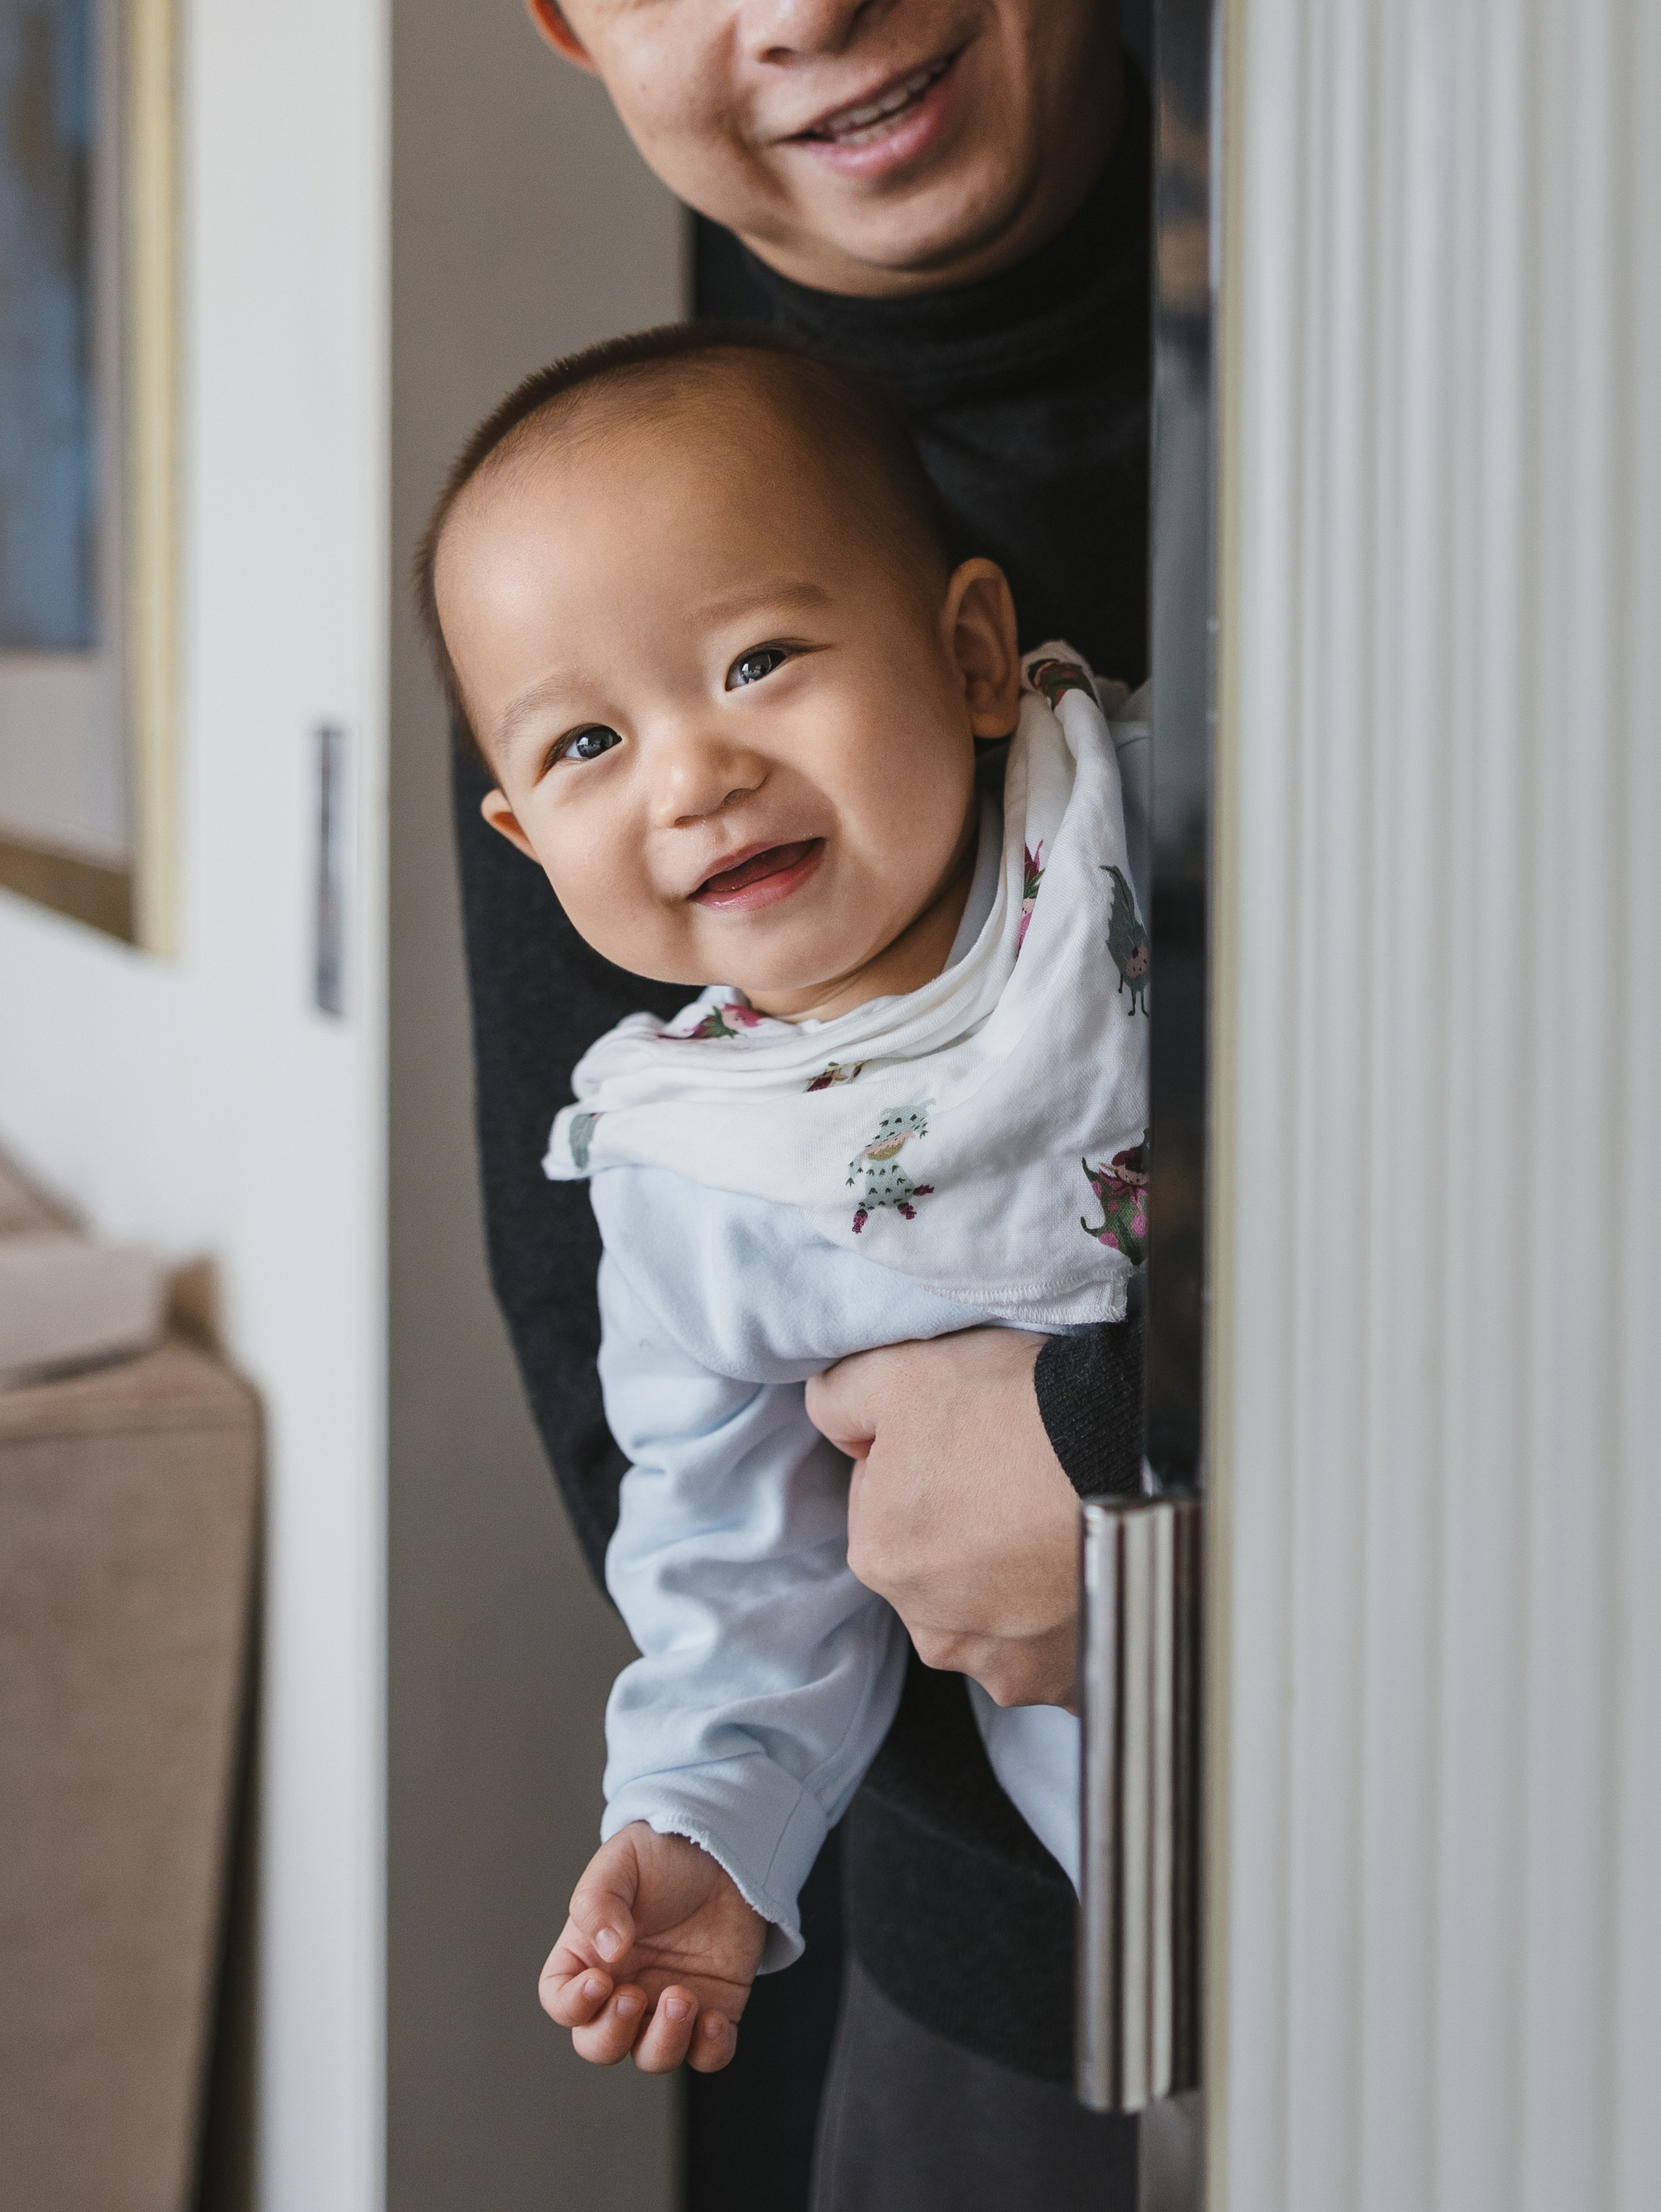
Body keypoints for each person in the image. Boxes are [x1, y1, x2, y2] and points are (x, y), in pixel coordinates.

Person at [443, 3, 1152, 2201]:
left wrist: (1128, 1442)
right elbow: (716, 1531)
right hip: (1035, 1919)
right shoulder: (674, 1131)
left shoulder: (1095, 828)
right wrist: (709, 1832)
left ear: (973, 653)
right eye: (584, 750)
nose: (690, 775)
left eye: (762, 661)